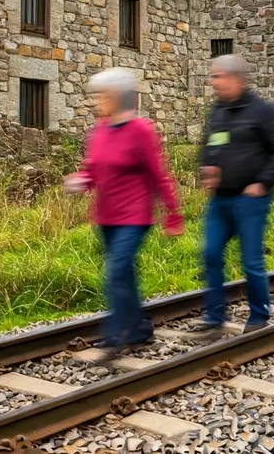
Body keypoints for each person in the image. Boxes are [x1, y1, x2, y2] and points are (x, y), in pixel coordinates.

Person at [65, 69, 184, 358]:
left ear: (118, 97)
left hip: (135, 215)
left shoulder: (141, 130)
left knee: (116, 272)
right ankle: (140, 327)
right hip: (106, 216)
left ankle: (117, 335)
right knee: (125, 275)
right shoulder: (100, 130)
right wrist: (81, 180)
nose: (97, 102)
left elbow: (159, 174)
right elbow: (93, 169)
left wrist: (173, 213)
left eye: (102, 96)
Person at [198, 55, 274, 337]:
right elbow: (209, 144)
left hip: (250, 198)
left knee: (250, 258)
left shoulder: (262, 111)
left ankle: (259, 314)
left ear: (235, 79)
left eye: (218, 76)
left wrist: (262, 183)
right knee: (210, 252)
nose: (213, 82)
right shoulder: (217, 111)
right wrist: (207, 166)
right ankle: (215, 316)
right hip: (220, 198)